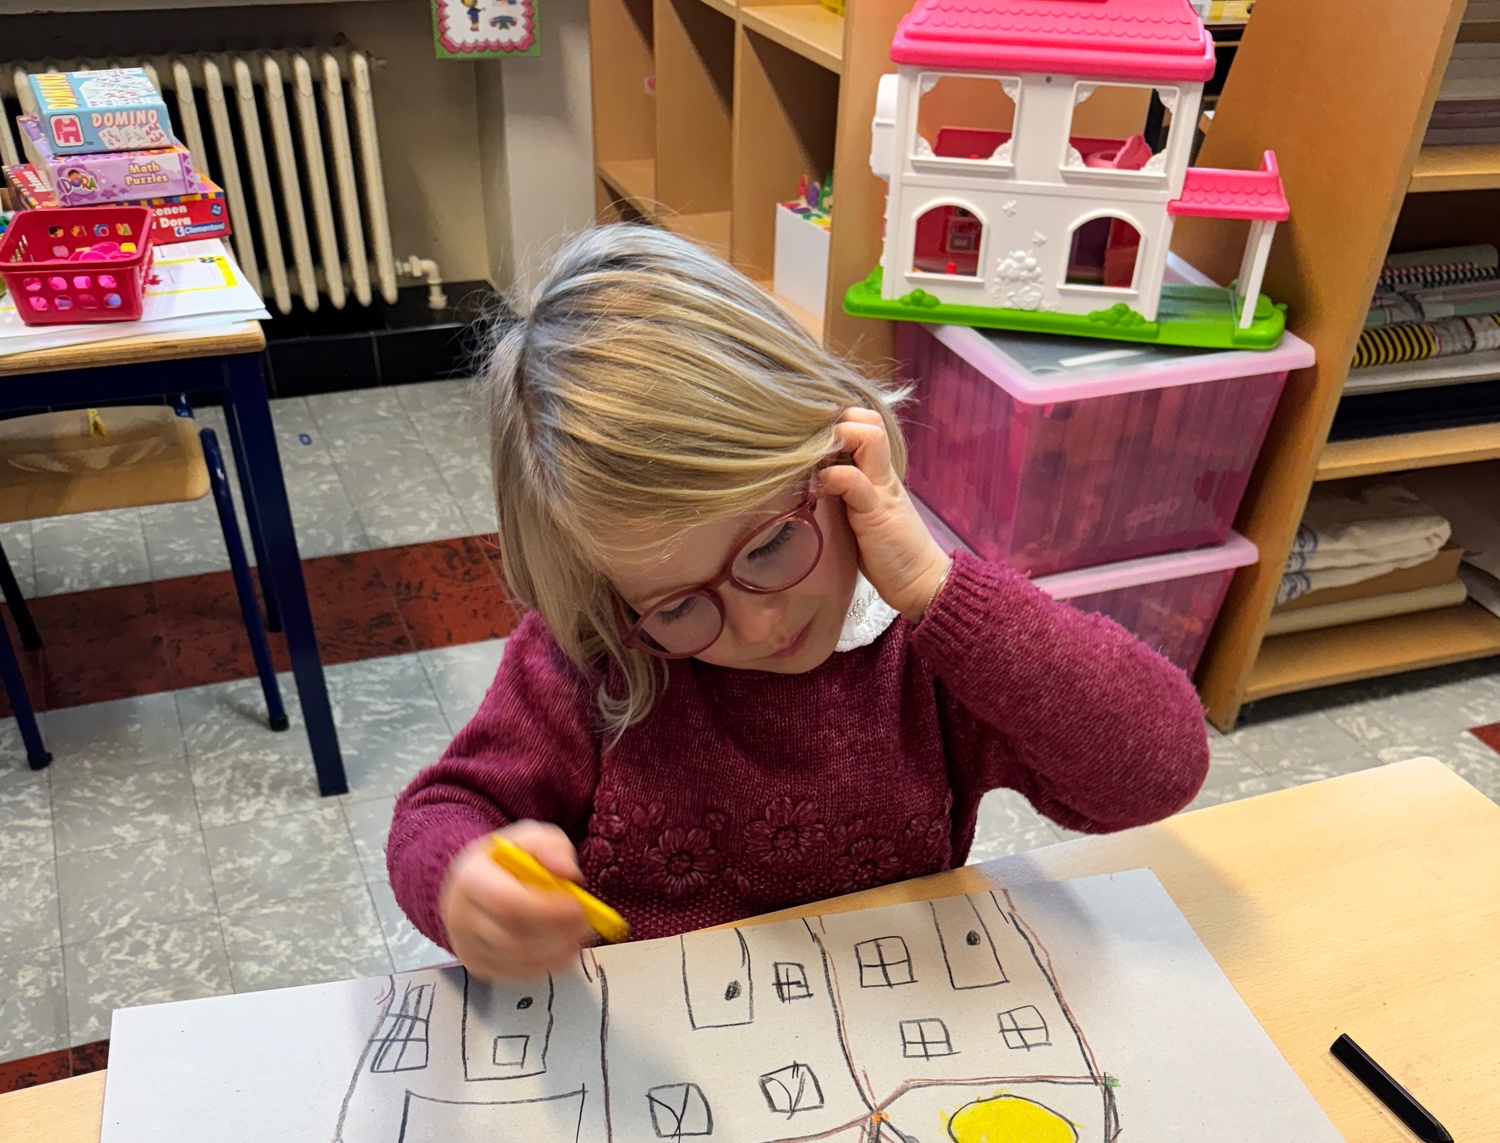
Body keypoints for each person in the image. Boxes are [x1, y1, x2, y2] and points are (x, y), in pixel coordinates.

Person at [388, 225, 1209, 980]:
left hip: (885, 1018)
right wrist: (466, 884)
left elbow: (1159, 772)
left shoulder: (936, 638)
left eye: (771, 545)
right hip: (665, 1045)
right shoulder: (598, 648)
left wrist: (938, 589)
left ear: (838, 446)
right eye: (676, 608)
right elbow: (445, 810)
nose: (758, 623)